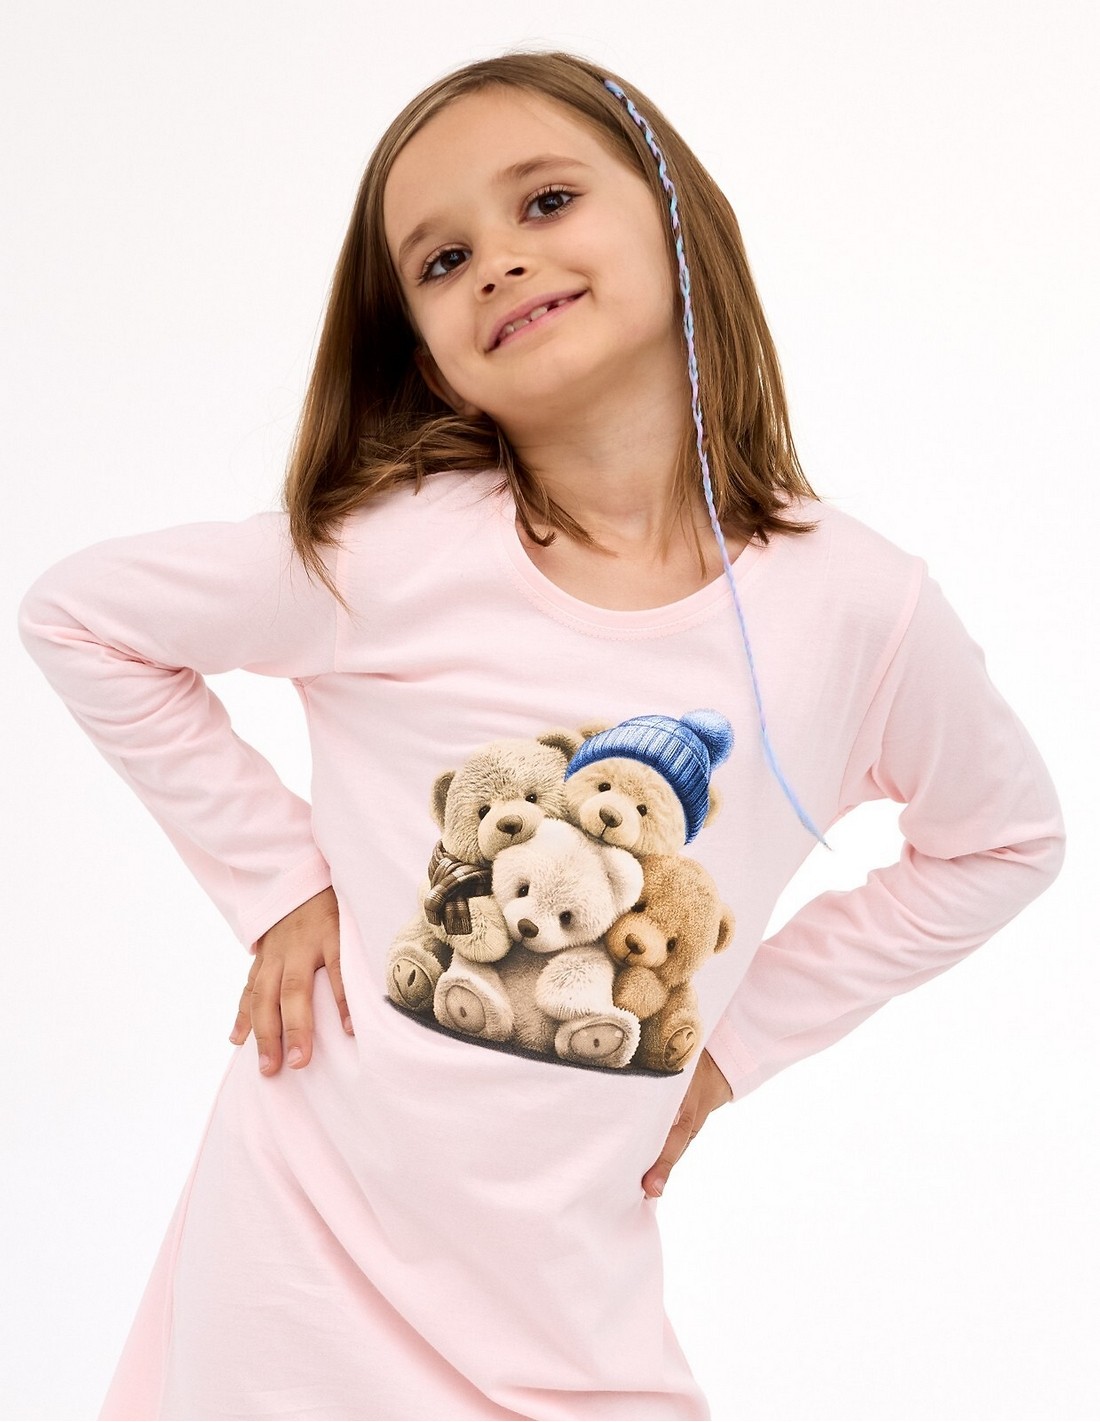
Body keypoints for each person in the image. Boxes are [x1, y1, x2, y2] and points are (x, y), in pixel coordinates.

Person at [17, 48, 1065, 1422]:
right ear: (427, 356)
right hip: (298, 1268)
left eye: (547, 201)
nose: (499, 262)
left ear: (676, 217)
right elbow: (82, 616)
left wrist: (737, 1040)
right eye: (442, 260)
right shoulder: (391, 554)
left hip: (568, 1326)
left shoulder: (858, 609)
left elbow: (1002, 841)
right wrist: (278, 880)